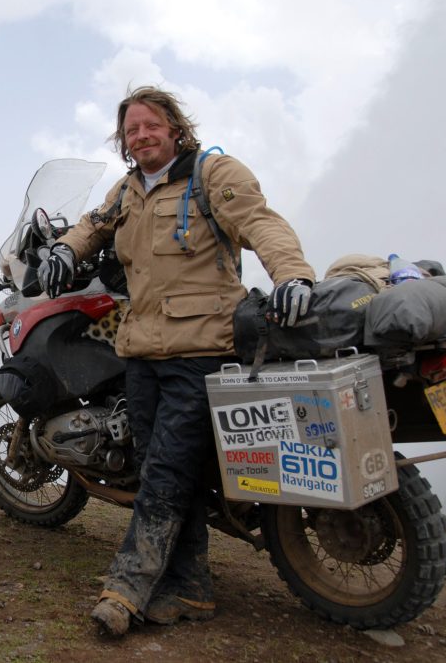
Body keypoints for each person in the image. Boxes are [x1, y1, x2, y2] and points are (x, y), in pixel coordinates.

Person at [40, 86, 315, 637]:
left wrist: (292, 274)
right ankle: (190, 587)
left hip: (204, 351)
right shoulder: (128, 191)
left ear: (174, 128)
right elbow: (92, 225)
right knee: (162, 469)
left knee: (166, 470)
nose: (141, 135)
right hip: (142, 348)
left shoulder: (211, 173)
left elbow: (261, 222)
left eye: (151, 125)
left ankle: (127, 587)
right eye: (131, 130)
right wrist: (66, 248)